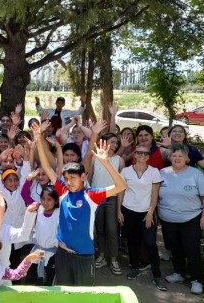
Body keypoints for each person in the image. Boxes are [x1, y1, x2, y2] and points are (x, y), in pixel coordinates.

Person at [36, 123, 127, 286]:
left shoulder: (91, 195)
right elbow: (46, 166)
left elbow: (121, 186)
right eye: (66, 178)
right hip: (62, 254)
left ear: (83, 177)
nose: (69, 182)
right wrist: (37, 138)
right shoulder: (63, 191)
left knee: (83, 296)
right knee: (63, 295)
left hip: (83, 256)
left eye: (74, 178)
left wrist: (106, 163)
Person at [158, 143, 204, 295]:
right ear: (169, 157)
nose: (176, 158)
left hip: (191, 218)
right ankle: (179, 273)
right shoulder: (162, 173)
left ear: (187, 158)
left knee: (192, 249)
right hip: (168, 219)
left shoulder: (195, 174)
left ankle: (196, 279)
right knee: (175, 248)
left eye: (180, 156)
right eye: (174, 155)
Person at [118, 145, 167, 291]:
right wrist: (118, 211)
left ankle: (157, 275)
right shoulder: (126, 171)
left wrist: (150, 213)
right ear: (134, 154)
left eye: (145, 153)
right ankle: (135, 266)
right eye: (139, 152)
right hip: (128, 210)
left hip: (146, 212)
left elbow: (155, 193)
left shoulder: (154, 172)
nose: (142, 155)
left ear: (148, 156)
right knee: (133, 241)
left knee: (150, 243)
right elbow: (121, 191)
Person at [90, 133, 125, 275]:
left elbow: (122, 185)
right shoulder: (95, 158)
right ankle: (102, 256)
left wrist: (119, 208)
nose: (115, 145)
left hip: (112, 199)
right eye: (112, 142)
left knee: (112, 230)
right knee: (99, 230)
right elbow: (90, 178)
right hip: (96, 199)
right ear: (104, 143)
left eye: (117, 143)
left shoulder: (119, 160)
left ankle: (114, 259)